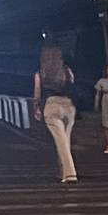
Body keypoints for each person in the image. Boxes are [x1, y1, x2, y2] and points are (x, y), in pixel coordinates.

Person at [33, 45, 78, 184]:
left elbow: (37, 92)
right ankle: (62, 171)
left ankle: (70, 173)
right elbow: (72, 85)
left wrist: (36, 108)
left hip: (51, 105)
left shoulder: (40, 73)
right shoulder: (66, 70)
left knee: (60, 141)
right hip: (69, 106)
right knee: (66, 140)